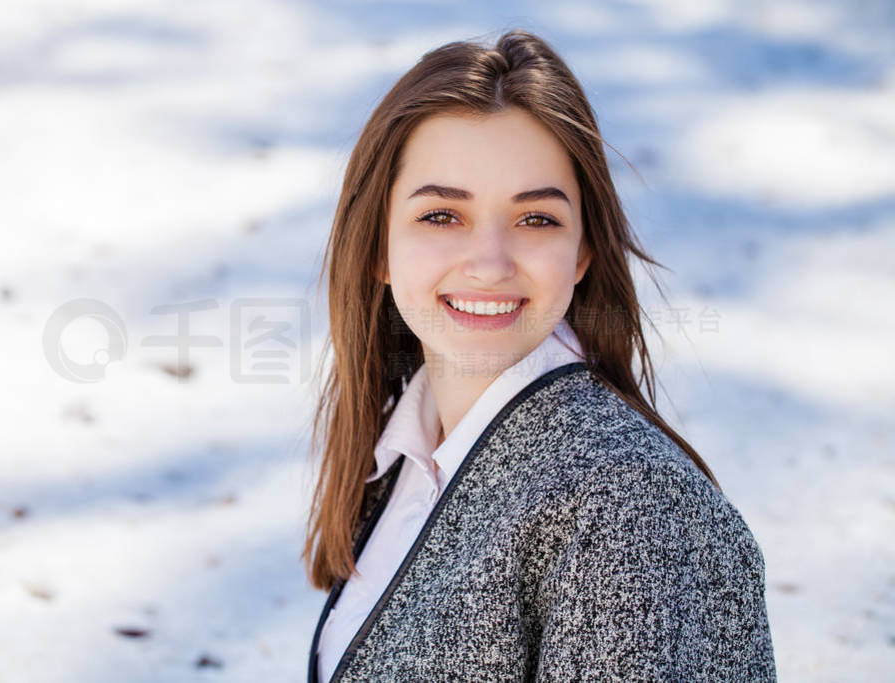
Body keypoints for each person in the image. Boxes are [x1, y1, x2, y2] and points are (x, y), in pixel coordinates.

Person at [301, 29, 777, 682]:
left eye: (536, 220)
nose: (490, 264)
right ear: (380, 247)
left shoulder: (625, 500)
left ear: (582, 252)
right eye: (442, 215)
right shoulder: (406, 455)